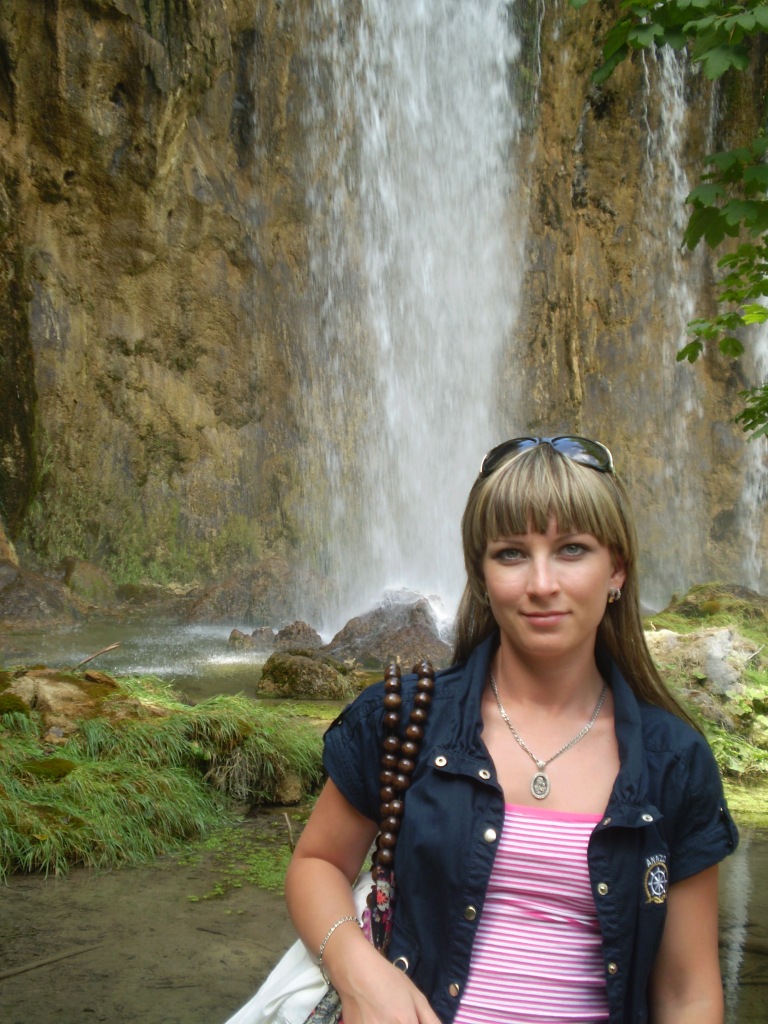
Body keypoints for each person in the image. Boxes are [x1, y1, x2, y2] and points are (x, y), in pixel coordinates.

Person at [284, 435, 739, 1024]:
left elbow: (687, 994)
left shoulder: (674, 762)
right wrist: (359, 973)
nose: (541, 583)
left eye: (572, 549)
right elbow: (317, 863)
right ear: (481, 573)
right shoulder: (401, 719)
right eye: (511, 554)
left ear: (617, 570)